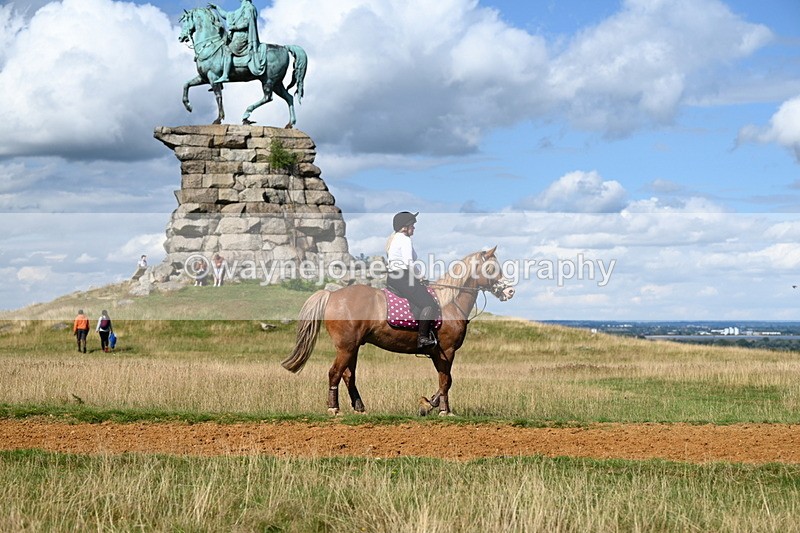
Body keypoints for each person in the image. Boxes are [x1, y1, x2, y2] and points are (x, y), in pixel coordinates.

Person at [385, 211, 440, 349]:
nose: (414, 228)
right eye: (412, 225)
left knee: (420, 298)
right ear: (405, 227)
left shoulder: (396, 238)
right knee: (429, 304)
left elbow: (413, 256)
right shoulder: (404, 239)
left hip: (394, 277)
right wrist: (421, 276)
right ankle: (422, 338)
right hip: (403, 277)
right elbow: (409, 262)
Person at [208, 0, 266, 83]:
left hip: (242, 37)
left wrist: (235, 27)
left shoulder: (248, 8)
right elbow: (226, 15)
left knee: (227, 50)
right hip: (236, 37)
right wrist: (217, 8)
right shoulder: (240, 10)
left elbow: (246, 23)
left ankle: (225, 75)